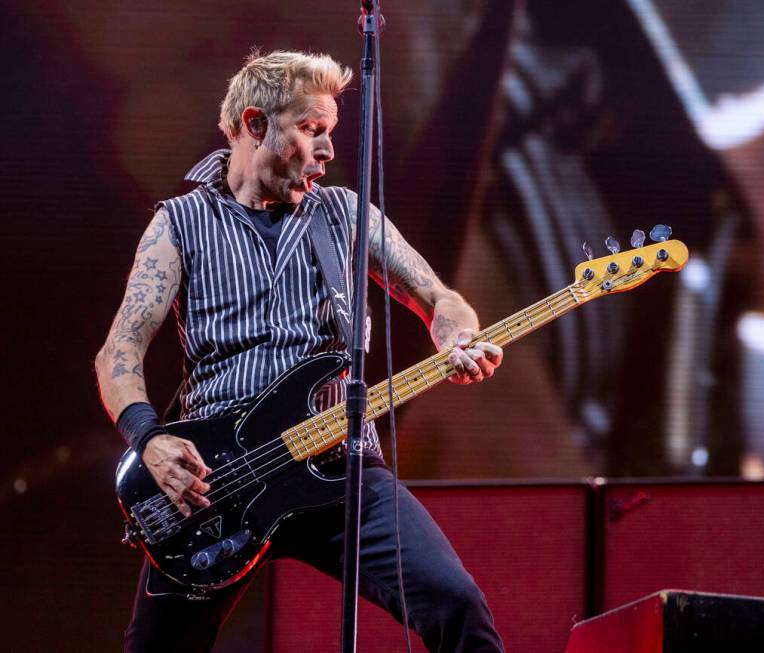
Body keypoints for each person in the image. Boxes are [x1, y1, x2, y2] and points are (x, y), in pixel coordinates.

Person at [95, 50, 505, 653]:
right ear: (256, 123)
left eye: (331, 133)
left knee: (456, 604)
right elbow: (118, 352)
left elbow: (440, 297)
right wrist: (150, 438)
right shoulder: (179, 224)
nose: (329, 151)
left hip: (339, 465)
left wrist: (456, 333)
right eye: (312, 131)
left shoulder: (342, 215)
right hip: (220, 483)